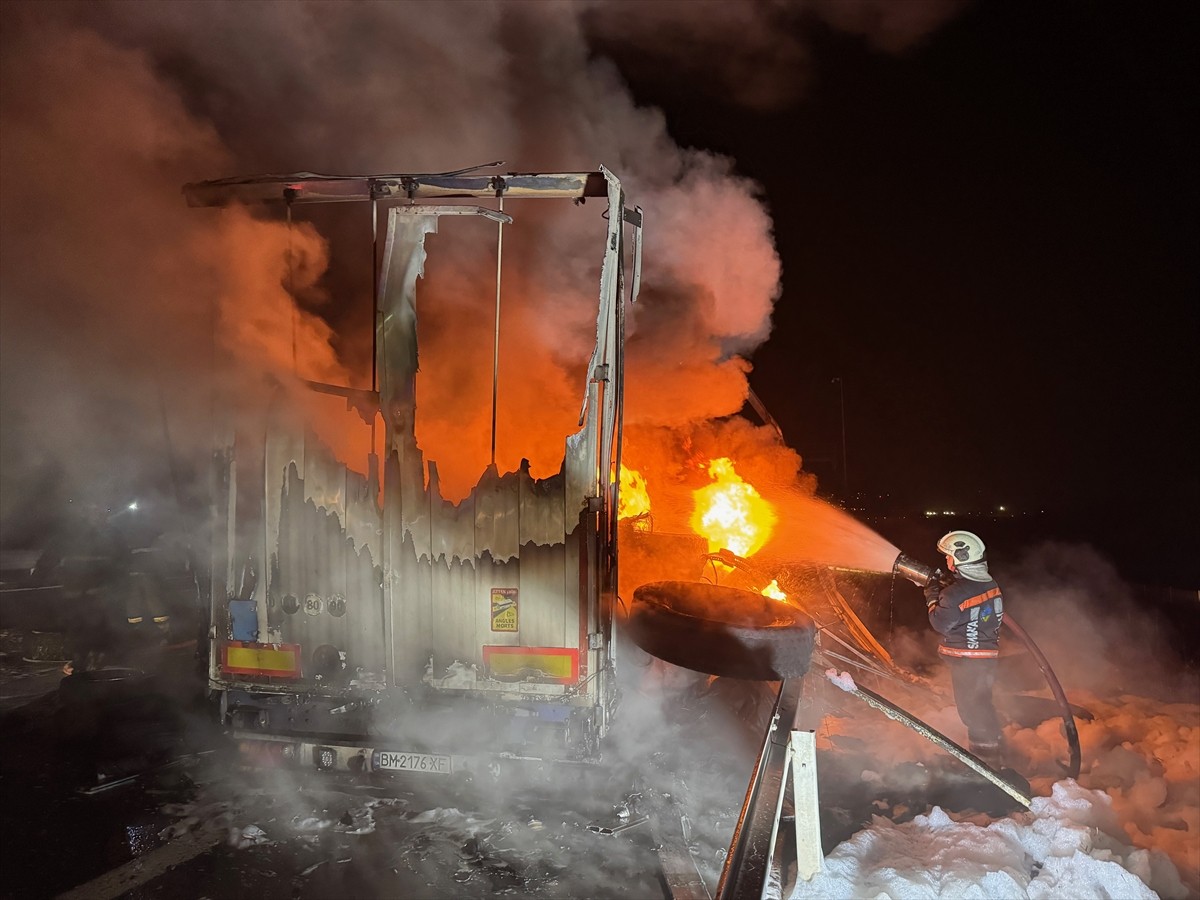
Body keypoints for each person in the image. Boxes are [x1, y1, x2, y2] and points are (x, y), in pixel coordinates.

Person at [924, 530, 1005, 766]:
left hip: (968, 661)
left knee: (972, 711)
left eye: (949, 557)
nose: (946, 561)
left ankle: (985, 764)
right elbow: (972, 605)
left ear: (960, 557)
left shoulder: (955, 593)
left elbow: (940, 623)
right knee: (982, 705)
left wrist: (931, 596)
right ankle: (993, 753)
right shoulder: (989, 583)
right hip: (986, 658)